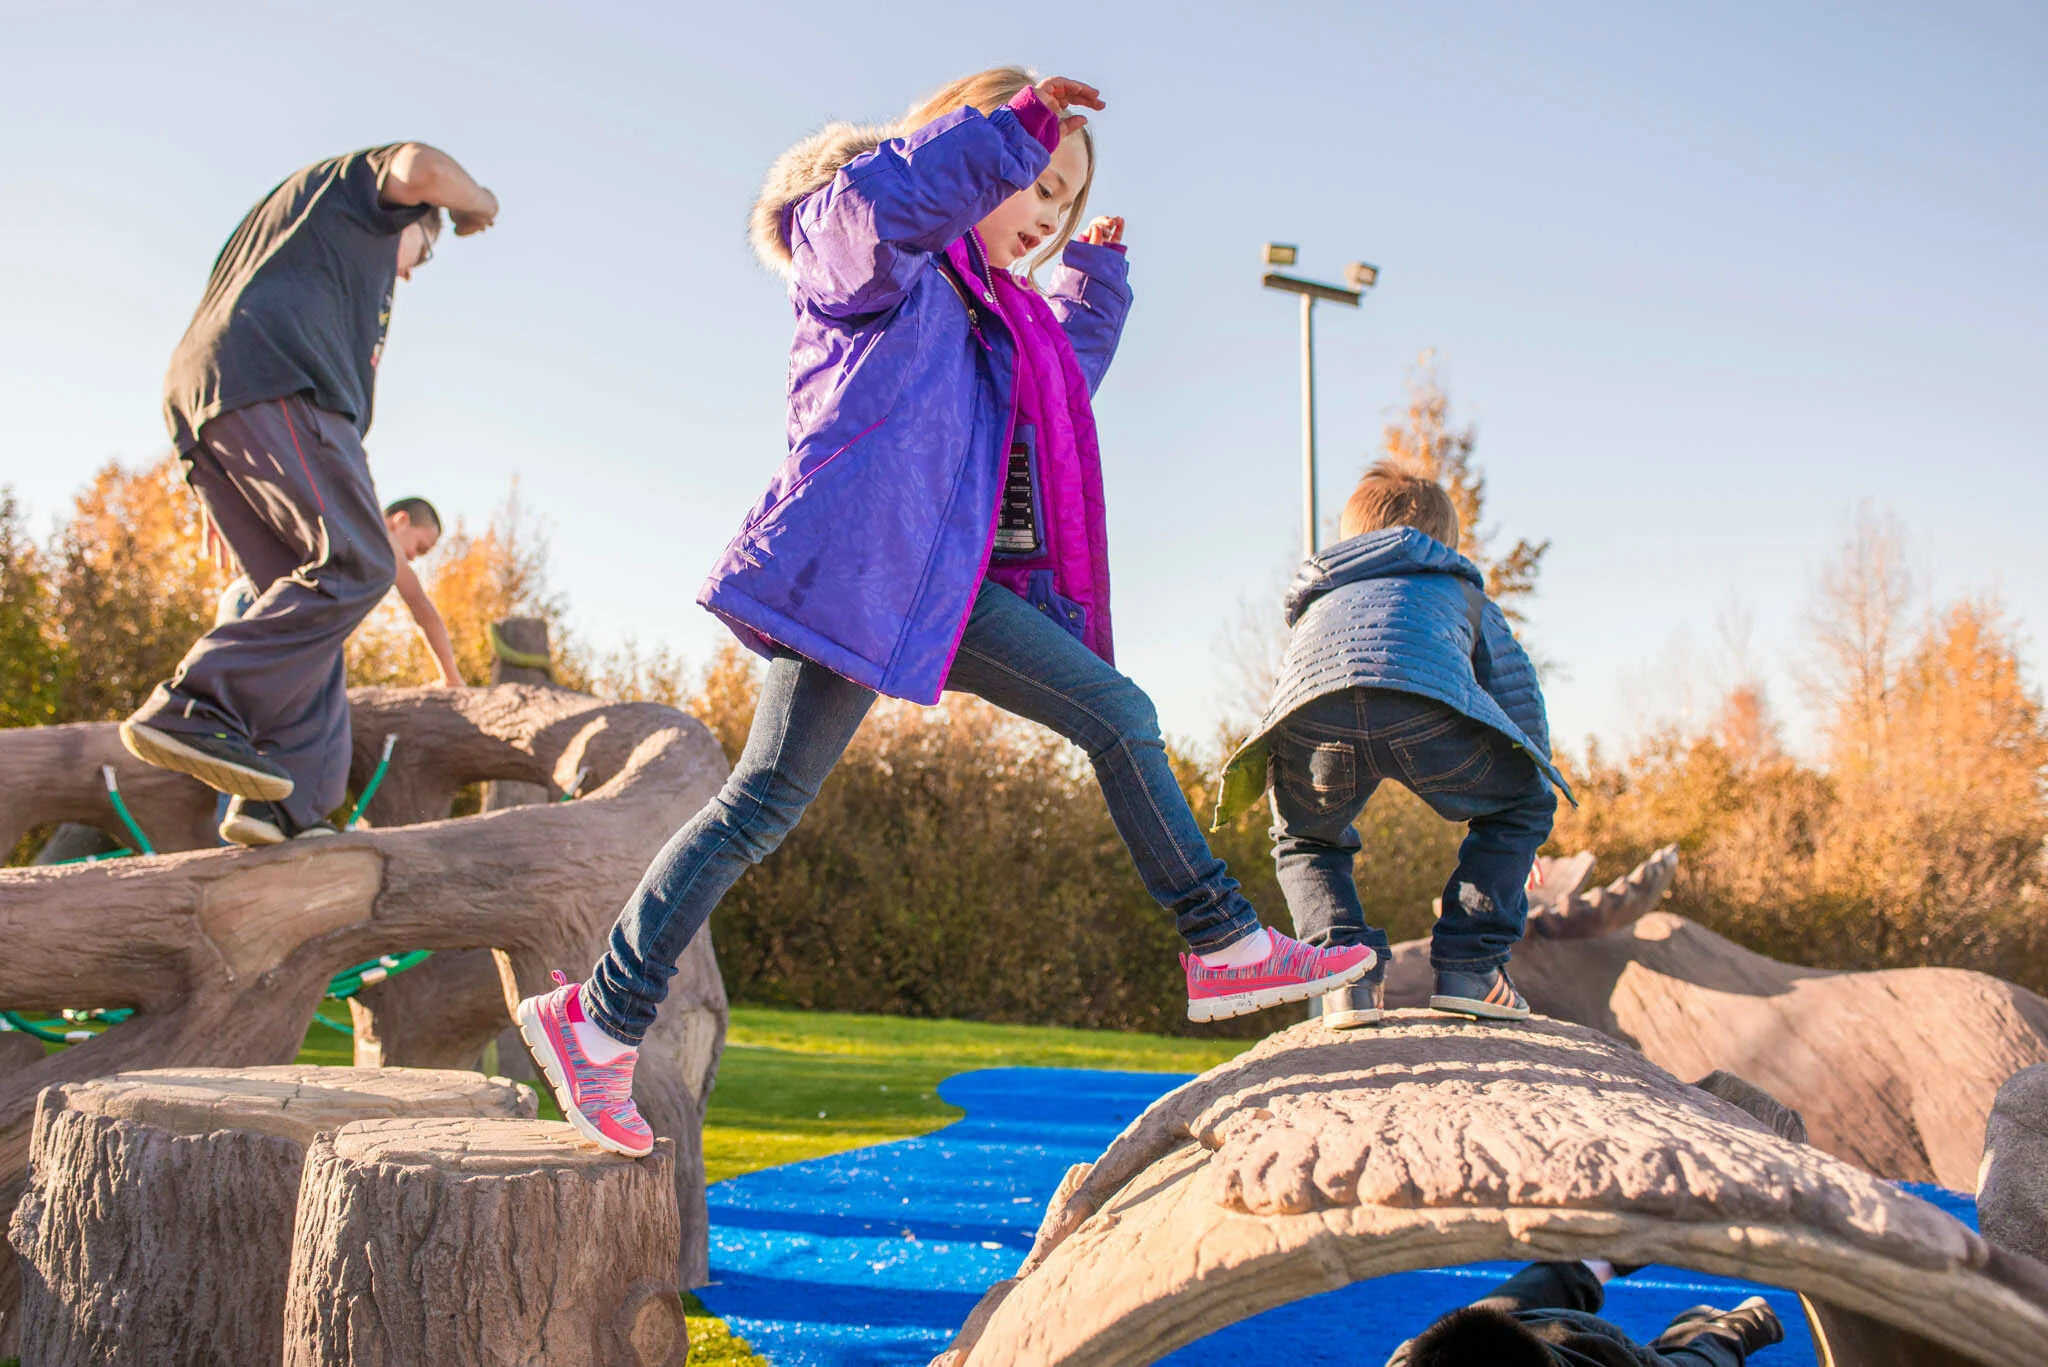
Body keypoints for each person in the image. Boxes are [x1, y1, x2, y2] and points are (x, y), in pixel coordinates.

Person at [516, 67, 1373, 1157]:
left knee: (1117, 714)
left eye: (1065, 200)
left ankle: (1222, 943)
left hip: (948, 594)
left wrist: (1093, 286)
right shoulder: (862, 247)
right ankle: (598, 1018)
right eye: (1036, 182)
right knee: (758, 805)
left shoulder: (992, 315)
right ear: (971, 150)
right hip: (856, 570)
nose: (1049, 214)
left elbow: (1053, 391)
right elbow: (890, 204)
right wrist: (1010, 133)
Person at [118, 144, 497, 843]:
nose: (407, 274)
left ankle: (286, 804)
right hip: (280, 381)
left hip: (216, 399)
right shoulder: (362, 195)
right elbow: (422, 166)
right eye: (421, 255)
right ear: (415, 218)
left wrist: (217, 466)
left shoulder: (295, 233)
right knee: (360, 564)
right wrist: (478, 204)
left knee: (304, 603)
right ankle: (197, 704)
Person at [1212, 460, 1571, 1026]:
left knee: (1305, 839)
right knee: (1521, 805)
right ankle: (1471, 967)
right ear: (1444, 544)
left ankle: (1346, 974)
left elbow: (1290, 690)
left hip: (1314, 720)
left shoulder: (1318, 603)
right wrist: (1523, 807)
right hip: (1422, 706)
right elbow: (1516, 694)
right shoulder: (1460, 592)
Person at [207, 496, 464, 846]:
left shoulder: (342, 519)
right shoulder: (380, 540)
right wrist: (451, 677)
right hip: (281, 606)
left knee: (242, 717)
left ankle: (238, 821)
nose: (415, 558)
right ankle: (274, 816)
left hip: (244, 595)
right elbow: (425, 614)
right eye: (420, 547)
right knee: (314, 718)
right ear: (400, 521)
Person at [1388, 1260, 1785, 1367]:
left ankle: (1735, 1328)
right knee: (1516, 1300)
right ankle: (1735, 1323)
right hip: (1503, 1337)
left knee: (1695, 1360)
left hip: (1583, 1345)